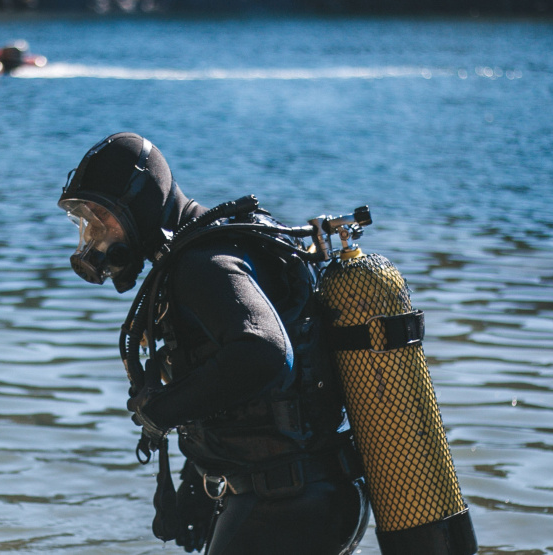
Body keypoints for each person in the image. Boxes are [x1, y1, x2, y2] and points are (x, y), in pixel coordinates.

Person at [57, 132, 370, 554]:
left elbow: (264, 354)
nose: (95, 234)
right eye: (86, 222)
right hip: (309, 494)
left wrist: (160, 411)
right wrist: (199, 483)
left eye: (102, 217)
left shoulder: (202, 265)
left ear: (142, 202)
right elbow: (233, 390)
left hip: (286, 504)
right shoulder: (208, 250)